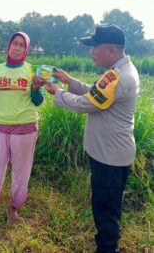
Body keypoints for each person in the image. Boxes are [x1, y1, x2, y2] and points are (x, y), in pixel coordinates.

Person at [45, 24, 140, 253]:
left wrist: (57, 92)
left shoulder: (118, 76)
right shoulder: (118, 71)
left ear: (111, 49)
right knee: (108, 206)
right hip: (110, 154)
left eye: (95, 47)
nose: (92, 52)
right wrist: (70, 81)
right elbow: (94, 92)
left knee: (105, 209)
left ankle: (107, 249)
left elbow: (86, 103)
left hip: (110, 157)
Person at [0, 32, 45, 222]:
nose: (18, 48)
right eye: (15, 43)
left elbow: (38, 101)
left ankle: (14, 210)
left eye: (22, 45)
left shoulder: (32, 71)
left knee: (20, 173)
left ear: (26, 50)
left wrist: (36, 89)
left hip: (25, 128)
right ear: (9, 46)